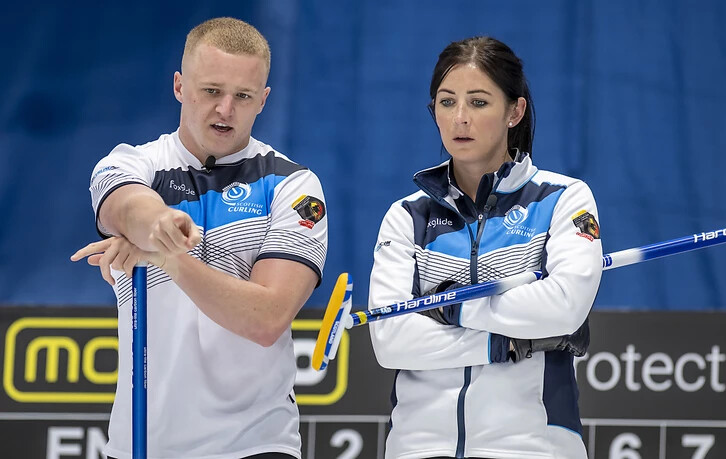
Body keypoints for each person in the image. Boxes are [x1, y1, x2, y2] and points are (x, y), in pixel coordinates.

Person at [71, 17, 327, 459]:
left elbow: (265, 320)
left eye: (243, 96)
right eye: (211, 91)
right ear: (178, 86)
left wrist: (167, 258)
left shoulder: (294, 186)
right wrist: (159, 226)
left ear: (263, 100)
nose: (226, 109)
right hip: (139, 445)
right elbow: (127, 206)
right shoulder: (133, 162)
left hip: (256, 445)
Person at [368, 36, 602, 459]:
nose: (460, 119)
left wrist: (449, 307)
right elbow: (390, 338)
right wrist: (505, 344)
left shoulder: (563, 198)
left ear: (515, 111)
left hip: (535, 445)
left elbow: (565, 307)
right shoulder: (406, 216)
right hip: (417, 447)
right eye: (446, 102)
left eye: (478, 102)